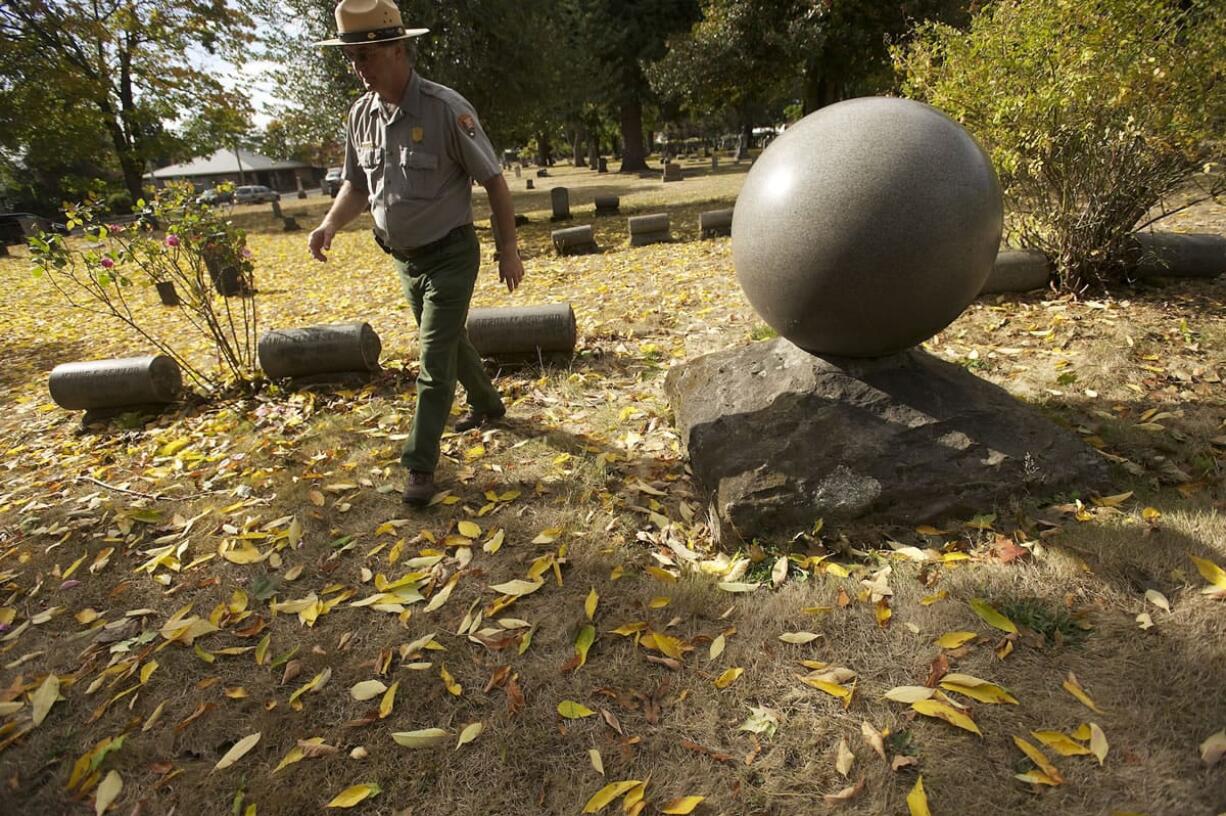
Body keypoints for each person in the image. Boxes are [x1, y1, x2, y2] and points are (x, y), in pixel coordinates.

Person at [308, 0, 525, 506]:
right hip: (404, 260)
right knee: (447, 343)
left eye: (367, 55)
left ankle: (420, 466)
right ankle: (489, 405)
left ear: (399, 48)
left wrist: (508, 250)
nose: (358, 67)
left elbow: (494, 181)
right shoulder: (360, 116)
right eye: (352, 57)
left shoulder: (447, 109)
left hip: (451, 255)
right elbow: (355, 186)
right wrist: (328, 223)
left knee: (431, 357)